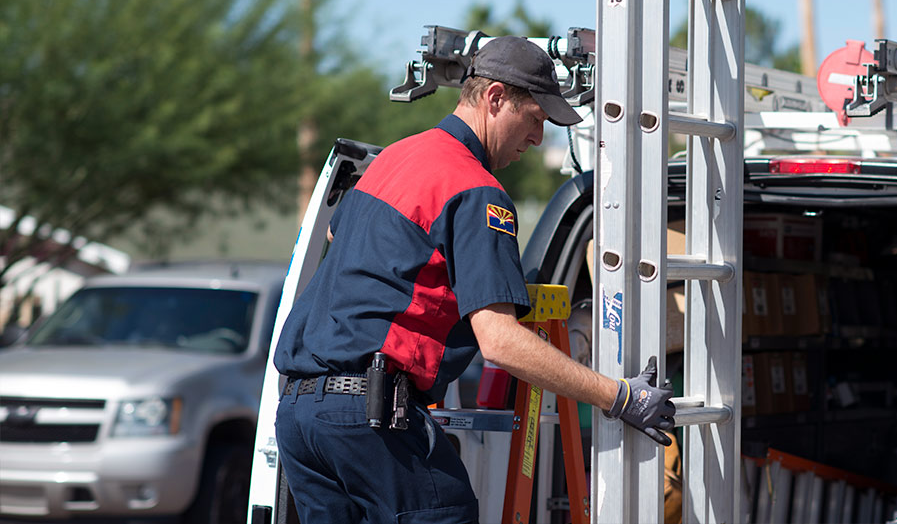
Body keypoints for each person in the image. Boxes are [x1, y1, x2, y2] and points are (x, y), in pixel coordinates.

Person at [272, 36, 675, 524]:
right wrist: (621, 397)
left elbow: (340, 231)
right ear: (496, 98)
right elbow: (501, 343)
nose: (537, 138)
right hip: (368, 419)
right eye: (535, 120)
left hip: (300, 418)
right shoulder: (475, 189)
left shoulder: (393, 160)